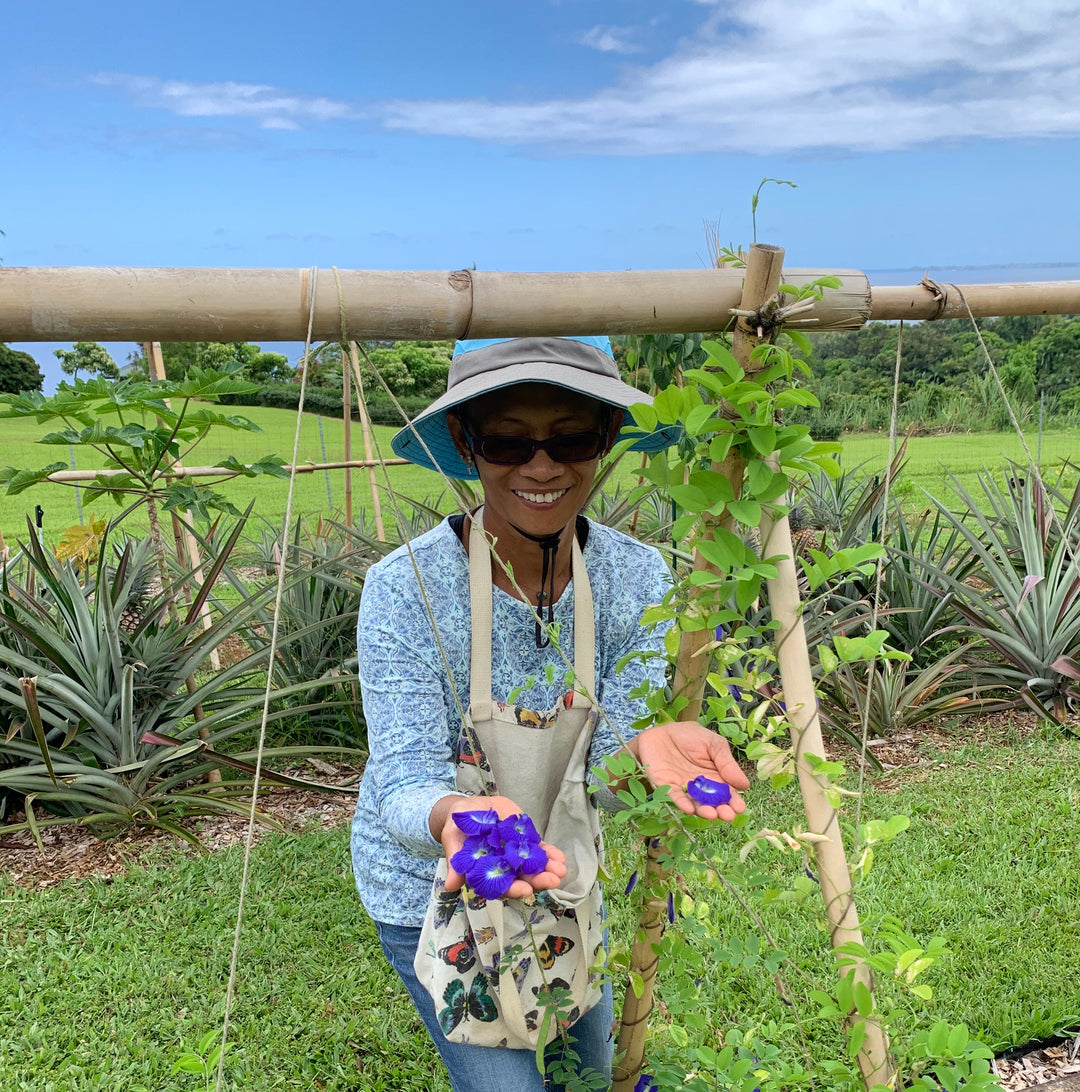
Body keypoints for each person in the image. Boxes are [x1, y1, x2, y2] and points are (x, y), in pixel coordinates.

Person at [350, 336, 750, 1091]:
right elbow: (403, 777)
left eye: (571, 436)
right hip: (434, 891)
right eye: (508, 439)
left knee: (590, 1073)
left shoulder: (635, 574)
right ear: (466, 444)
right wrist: (453, 820)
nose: (542, 466)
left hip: (562, 876)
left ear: (605, 440)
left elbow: (604, 766)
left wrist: (640, 753)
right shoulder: (404, 587)